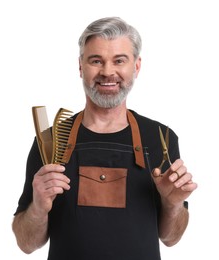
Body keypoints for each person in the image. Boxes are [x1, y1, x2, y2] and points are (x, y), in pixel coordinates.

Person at [12, 17, 197, 260]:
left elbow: (171, 238)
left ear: (136, 66)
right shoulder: (50, 141)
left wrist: (172, 204)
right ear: (80, 66)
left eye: (119, 60)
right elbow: (26, 244)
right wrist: (38, 207)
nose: (107, 72)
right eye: (96, 60)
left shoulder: (161, 137)